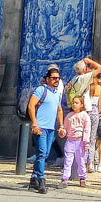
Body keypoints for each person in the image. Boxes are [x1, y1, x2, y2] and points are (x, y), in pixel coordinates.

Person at [27, 66, 66, 194]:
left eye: (58, 79)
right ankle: (41, 181)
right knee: (42, 153)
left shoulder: (56, 94)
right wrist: (34, 124)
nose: (56, 80)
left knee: (45, 154)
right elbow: (31, 105)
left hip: (50, 129)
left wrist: (60, 126)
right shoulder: (40, 90)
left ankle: (33, 178)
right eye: (54, 78)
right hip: (40, 128)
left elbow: (59, 110)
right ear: (47, 79)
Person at [59, 93, 91, 189]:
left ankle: (82, 177)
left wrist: (86, 142)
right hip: (70, 140)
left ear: (81, 105)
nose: (74, 105)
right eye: (73, 103)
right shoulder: (69, 116)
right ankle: (65, 178)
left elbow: (87, 129)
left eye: (76, 103)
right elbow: (66, 128)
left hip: (80, 141)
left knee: (80, 160)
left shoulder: (85, 116)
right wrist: (62, 132)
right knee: (68, 160)